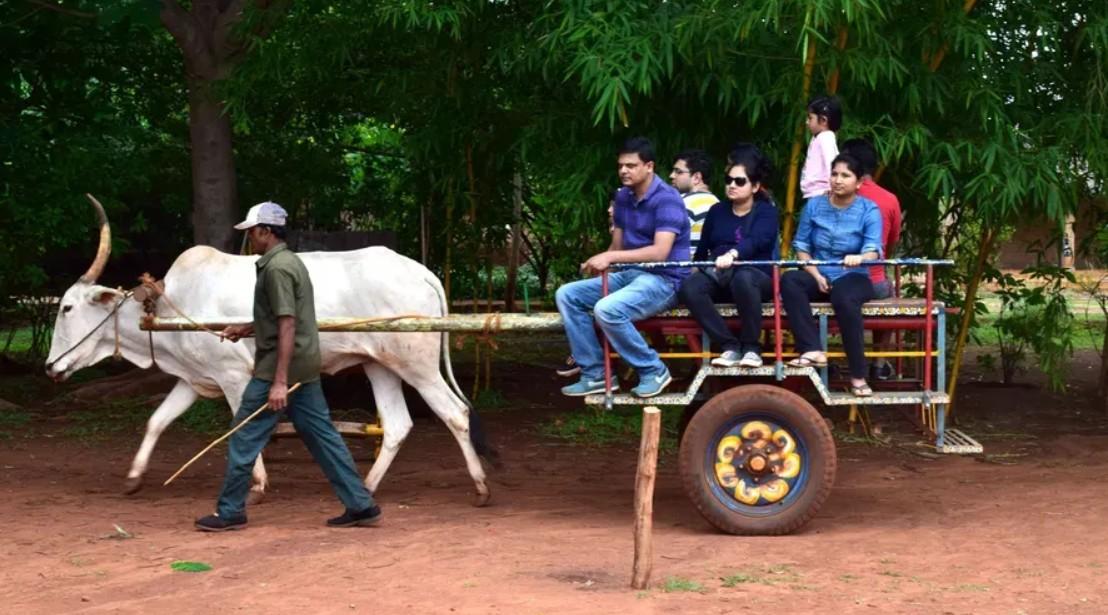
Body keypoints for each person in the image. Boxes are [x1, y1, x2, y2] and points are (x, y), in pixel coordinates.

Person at [194, 201, 381, 531]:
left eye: (252, 231)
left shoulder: (277, 269)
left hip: (278, 371)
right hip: (304, 366)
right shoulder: (288, 262)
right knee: (324, 438)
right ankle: (361, 504)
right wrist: (247, 327)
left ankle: (230, 511)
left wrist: (279, 382)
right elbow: (279, 316)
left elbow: (287, 324)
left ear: (266, 231)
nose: (250, 237)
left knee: (243, 436)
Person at [555, 137, 691, 398]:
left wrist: (611, 258)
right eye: (620, 165)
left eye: (631, 165)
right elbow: (617, 246)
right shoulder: (623, 197)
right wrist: (601, 261)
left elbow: (660, 253)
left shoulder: (668, 199)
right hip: (631, 275)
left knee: (607, 309)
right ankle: (596, 374)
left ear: (649, 166)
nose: (623, 171)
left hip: (665, 280)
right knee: (568, 294)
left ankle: (654, 370)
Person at [781, 154, 882, 397]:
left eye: (845, 175)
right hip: (820, 273)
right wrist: (815, 274)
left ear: (858, 183)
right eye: (835, 174)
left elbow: (874, 249)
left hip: (853, 276)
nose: (838, 180)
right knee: (790, 280)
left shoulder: (869, 209)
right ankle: (812, 349)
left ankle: (858, 375)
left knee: (844, 299)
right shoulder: (814, 206)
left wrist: (859, 257)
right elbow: (802, 246)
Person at [678, 144, 779, 368]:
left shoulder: (766, 212)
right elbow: (703, 249)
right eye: (729, 180)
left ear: (755, 186)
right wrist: (695, 272)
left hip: (755, 275)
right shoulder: (717, 211)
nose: (732, 185)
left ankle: (751, 347)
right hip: (720, 273)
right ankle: (728, 346)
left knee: (744, 278)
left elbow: (758, 241)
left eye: (740, 181)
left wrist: (733, 253)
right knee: (690, 288)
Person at [840, 138, 903, 380]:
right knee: (888, 289)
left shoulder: (832, 197)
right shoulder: (889, 199)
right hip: (874, 282)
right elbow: (891, 240)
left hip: (839, 279)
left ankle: (824, 356)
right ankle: (879, 362)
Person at [557, 189, 619, 379]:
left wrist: (601, 266)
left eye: (613, 206)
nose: (609, 210)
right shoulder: (618, 224)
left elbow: (615, 254)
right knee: (572, 296)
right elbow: (612, 253)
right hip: (620, 275)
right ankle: (589, 359)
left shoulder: (632, 222)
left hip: (632, 278)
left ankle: (587, 358)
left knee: (597, 307)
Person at [669, 149, 720, 256]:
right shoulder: (718, 204)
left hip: (678, 267)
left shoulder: (681, 202)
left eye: (678, 172)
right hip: (706, 269)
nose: (672, 176)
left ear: (696, 177)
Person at [800, 95, 841, 199]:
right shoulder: (819, 137)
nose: (807, 122)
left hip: (821, 194)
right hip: (815, 193)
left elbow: (831, 163)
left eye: (810, 118)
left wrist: (833, 188)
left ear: (823, 120)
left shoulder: (826, 138)